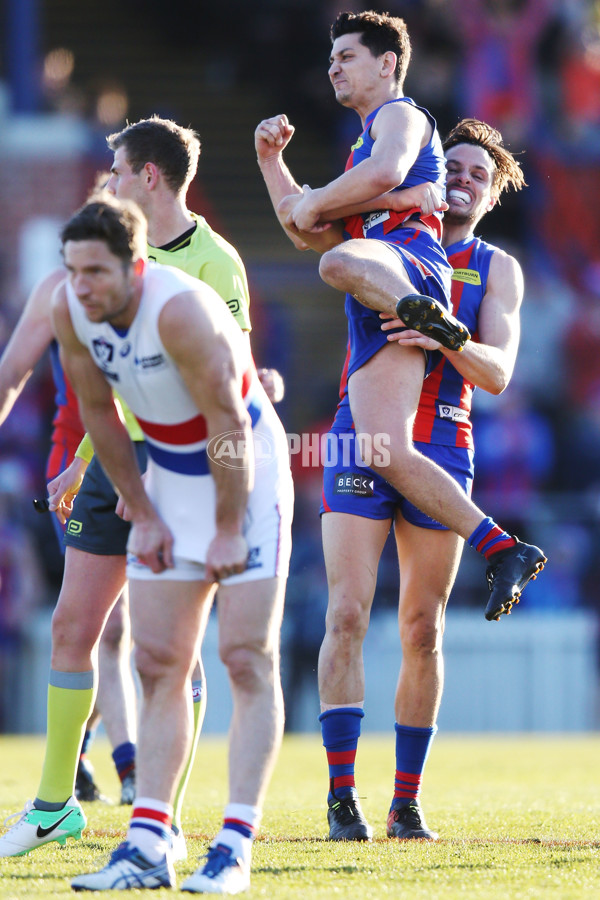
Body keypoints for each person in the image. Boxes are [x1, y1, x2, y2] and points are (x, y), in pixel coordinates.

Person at [0, 116, 284, 863]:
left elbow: (226, 397)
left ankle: (173, 821)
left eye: (118, 168)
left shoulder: (203, 275)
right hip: (124, 458)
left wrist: (200, 511)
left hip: (206, 463)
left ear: (147, 176)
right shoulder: (81, 276)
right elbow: (83, 392)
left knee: (194, 654)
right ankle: (57, 803)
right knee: (76, 628)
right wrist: (100, 470)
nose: (109, 179)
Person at [255, 9, 546, 631]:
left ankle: (424, 313)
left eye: (346, 56)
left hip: (411, 293)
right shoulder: (368, 145)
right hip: (377, 303)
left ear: (387, 64)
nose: (333, 66)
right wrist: (270, 162)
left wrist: (347, 198)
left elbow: (360, 191)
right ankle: (502, 546)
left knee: (422, 624)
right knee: (380, 448)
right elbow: (303, 225)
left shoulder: (401, 116)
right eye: (330, 58)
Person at [55, 192, 292, 892]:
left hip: (245, 470)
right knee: (159, 662)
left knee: (246, 658)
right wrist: (144, 512)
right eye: (72, 271)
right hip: (169, 477)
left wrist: (224, 529)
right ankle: (149, 843)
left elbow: (229, 428)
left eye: (95, 271)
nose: (82, 286)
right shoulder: (73, 312)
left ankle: (236, 847)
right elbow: (99, 417)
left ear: (135, 265)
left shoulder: (182, 310)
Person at [315, 117, 532, 841]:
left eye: (481, 175)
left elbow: (498, 374)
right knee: (345, 612)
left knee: (421, 628)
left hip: (443, 440)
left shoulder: (496, 267)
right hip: (360, 434)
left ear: (494, 195)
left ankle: (405, 803)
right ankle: (341, 798)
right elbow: (309, 232)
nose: (464, 179)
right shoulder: (388, 237)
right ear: (432, 176)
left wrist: (446, 330)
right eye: (457, 168)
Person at [0, 266, 138, 806]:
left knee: (137, 630)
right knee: (108, 625)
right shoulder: (59, 288)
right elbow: (12, 370)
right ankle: (131, 769)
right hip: (76, 464)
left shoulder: (168, 279)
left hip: (151, 461)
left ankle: (77, 750)